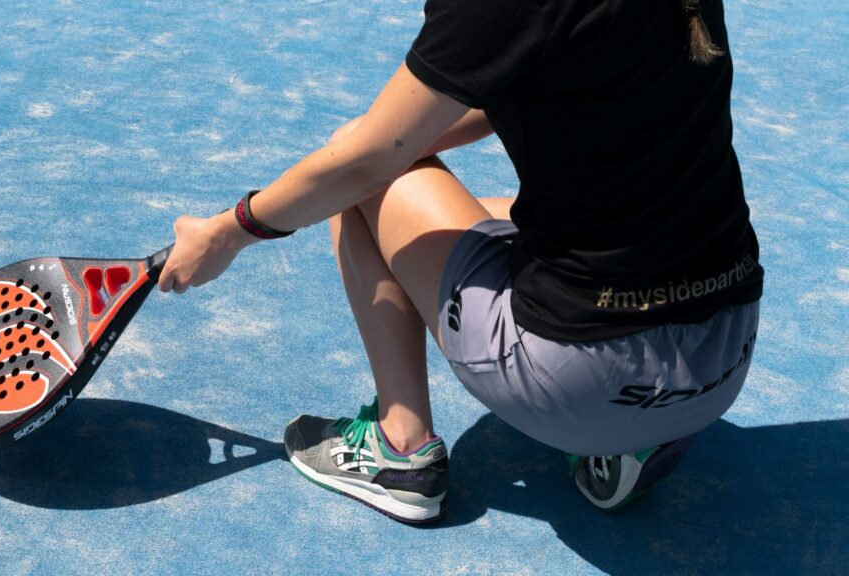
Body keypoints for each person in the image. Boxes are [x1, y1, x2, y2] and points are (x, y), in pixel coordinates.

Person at [158, 0, 763, 523]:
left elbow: (363, 164)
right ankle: (634, 444)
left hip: (583, 385)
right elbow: (527, 73)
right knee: (540, 213)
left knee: (360, 173)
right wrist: (401, 134)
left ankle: (401, 451)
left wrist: (230, 231)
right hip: (722, 360)